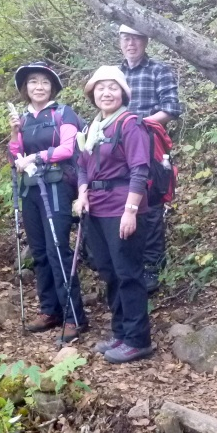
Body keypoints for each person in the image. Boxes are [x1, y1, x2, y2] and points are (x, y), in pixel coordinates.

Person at [74, 66, 154, 364]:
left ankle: (138, 339)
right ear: (92, 94)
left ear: (123, 93)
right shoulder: (92, 128)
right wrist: (82, 193)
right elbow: (81, 164)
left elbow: (140, 169)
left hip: (122, 208)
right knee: (108, 273)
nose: (106, 93)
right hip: (96, 208)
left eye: (112, 87)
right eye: (100, 88)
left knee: (128, 273)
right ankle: (120, 333)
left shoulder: (130, 124)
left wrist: (130, 211)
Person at [9, 62, 88, 344]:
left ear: (52, 87)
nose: (38, 86)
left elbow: (68, 148)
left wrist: (37, 157)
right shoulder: (24, 118)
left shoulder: (63, 113)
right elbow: (15, 155)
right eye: (32, 81)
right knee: (40, 252)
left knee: (57, 250)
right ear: (25, 88)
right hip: (30, 189)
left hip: (55, 186)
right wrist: (15, 133)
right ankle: (49, 310)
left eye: (44, 81)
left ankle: (73, 316)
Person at [117, 25, 183, 294]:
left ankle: (153, 267)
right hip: (119, 149)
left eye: (136, 38)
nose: (131, 44)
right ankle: (128, 263)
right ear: (120, 42)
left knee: (153, 205)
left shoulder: (158, 70)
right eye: (126, 39)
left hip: (151, 144)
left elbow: (171, 107)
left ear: (145, 41)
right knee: (125, 202)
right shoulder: (115, 73)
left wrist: (137, 125)